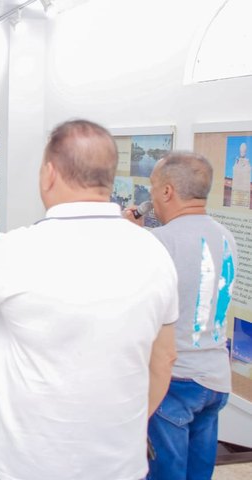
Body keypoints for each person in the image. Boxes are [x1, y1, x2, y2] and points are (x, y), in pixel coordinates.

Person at [0, 119, 180, 479]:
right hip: (121, 464)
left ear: (49, 174)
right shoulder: (153, 252)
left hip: (34, 464)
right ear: (109, 177)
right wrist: (127, 428)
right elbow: (165, 359)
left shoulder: (16, 249)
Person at [127, 152, 237, 480]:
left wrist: (130, 237)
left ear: (167, 192)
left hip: (174, 381)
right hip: (215, 379)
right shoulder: (227, 236)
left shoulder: (157, 242)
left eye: (152, 187)